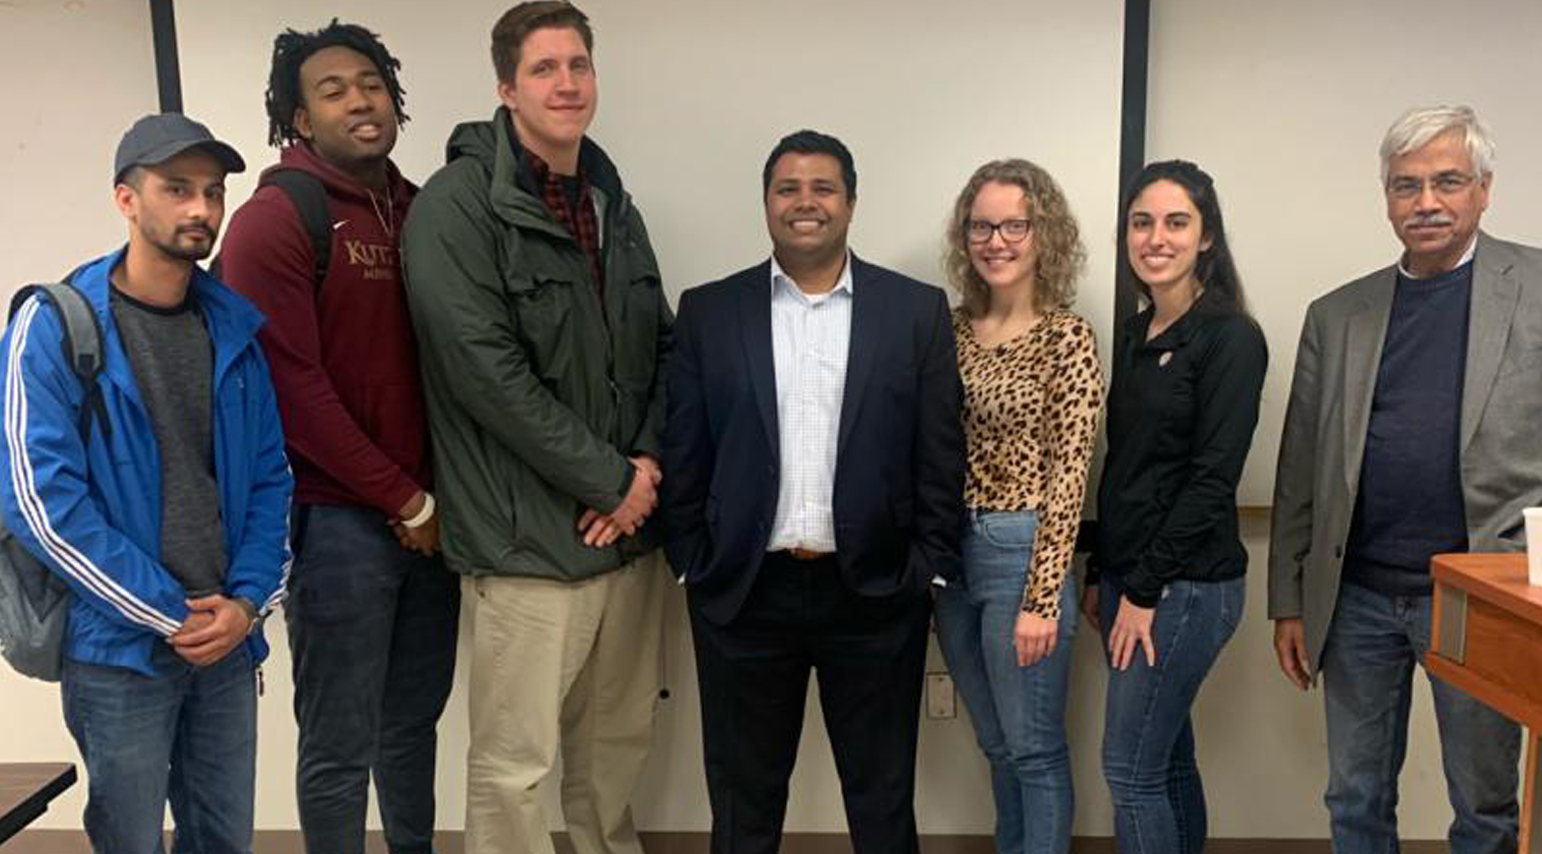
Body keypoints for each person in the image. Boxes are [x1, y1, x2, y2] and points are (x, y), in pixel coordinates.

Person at [399, 3, 672, 853]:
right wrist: (612, 483)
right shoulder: (455, 208)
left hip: (626, 542)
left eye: (579, 65)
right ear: (506, 87)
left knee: (615, 750)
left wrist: (648, 469)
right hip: (525, 547)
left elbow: (661, 346)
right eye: (546, 68)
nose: (567, 83)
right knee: (515, 767)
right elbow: (488, 378)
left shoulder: (610, 202)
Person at [662, 129, 965, 854]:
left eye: (823, 187)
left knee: (883, 795)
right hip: (743, 592)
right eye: (787, 188)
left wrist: (926, 566)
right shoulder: (710, 310)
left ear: (851, 203)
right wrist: (689, 561)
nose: (805, 202)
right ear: (766, 204)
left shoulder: (915, 311)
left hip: (874, 593)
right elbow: (684, 445)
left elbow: (940, 450)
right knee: (743, 798)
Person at [0, 113, 292, 853]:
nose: (200, 209)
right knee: (128, 840)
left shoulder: (236, 331)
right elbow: (40, 502)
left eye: (213, 191)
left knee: (224, 840)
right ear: (126, 199)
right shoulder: (52, 324)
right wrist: (169, 613)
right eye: (176, 189)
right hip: (117, 651)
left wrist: (248, 604)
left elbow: (272, 484)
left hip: (226, 647)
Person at [218, 21, 459, 854]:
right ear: (297, 117)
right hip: (337, 527)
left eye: (372, 82)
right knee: (338, 745)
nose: (360, 99)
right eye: (332, 89)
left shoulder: (422, 208)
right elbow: (293, 391)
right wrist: (403, 496)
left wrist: (432, 505)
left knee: (411, 728)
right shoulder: (275, 221)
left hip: (432, 527)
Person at [1269, 104, 1532, 854]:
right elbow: (1299, 473)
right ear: (1386, 197)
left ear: (1484, 189)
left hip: (1482, 597)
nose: (1426, 202)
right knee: (1354, 798)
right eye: (1405, 185)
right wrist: (1290, 599)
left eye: (1447, 181)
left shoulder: (1539, 288)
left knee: (1484, 806)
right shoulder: (1337, 314)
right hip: (1357, 600)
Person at [1086, 159, 1266, 854]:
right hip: (1132, 578)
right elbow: (1126, 466)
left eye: (1175, 222)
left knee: (1128, 773)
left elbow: (1210, 480)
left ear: (1207, 238)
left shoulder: (1230, 339)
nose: (1155, 237)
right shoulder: (1136, 335)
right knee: (1163, 762)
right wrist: (1106, 568)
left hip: (1185, 585)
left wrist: (1141, 586)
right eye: (1141, 222)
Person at [932, 159, 1102, 854]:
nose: (995, 240)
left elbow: (1070, 476)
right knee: (997, 744)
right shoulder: (948, 330)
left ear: (1043, 235)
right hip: (951, 554)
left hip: (1020, 547)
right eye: (981, 226)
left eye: (1013, 225)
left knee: (1033, 749)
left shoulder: (1069, 338)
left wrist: (1042, 596)